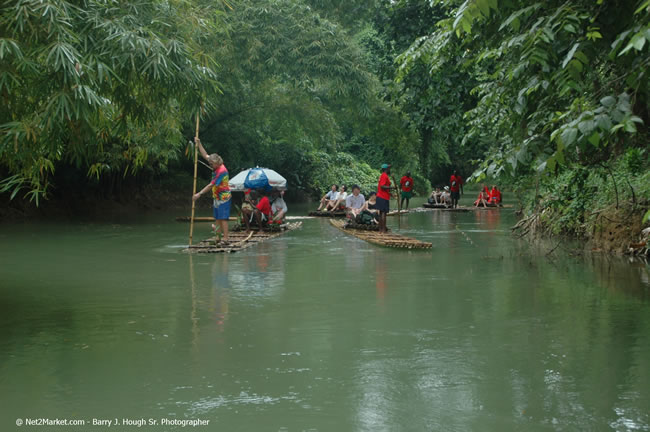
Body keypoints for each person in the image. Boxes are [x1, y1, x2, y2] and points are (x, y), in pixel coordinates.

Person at [192, 137, 231, 243]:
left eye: (212, 164)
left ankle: (226, 238)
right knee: (217, 218)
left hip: (224, 197)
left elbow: (211, 185)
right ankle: (218, 237)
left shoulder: (221, 171)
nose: (210, 166)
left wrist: (199, 194)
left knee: (223, 218)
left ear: (217, 163)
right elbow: (205, 155)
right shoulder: (215, 164)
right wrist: (199, 143)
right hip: (217, 196)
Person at [376, 164, 393, 233]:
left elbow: (383, 188)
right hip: (383, 197)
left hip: (382, 196)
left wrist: (390, 193)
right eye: (389, 169)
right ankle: (383, 230)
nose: (390, 170)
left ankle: (381, 230)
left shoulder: (383, 175)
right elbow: (382, 186)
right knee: (383, 213)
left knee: (381, 213)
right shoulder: (384, 175)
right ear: (386, 169)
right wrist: (391, 188)